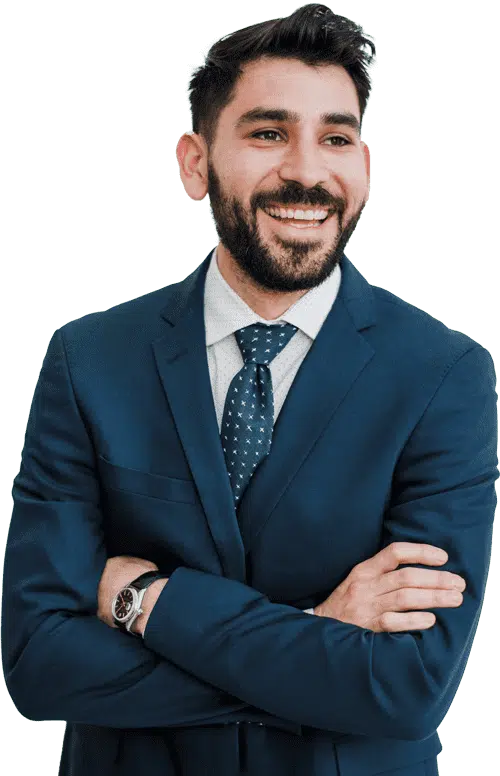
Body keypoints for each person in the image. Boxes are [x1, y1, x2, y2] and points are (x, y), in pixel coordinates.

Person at [2, 5, 498, 775]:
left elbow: (406, 688)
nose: (307, 171)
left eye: (336, 138)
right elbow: (39, 662)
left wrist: (148, 601)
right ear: (195, 163)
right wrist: (315, 627)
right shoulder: (89, 359)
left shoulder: (443, 375)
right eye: (269, 133)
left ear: (365, 165)